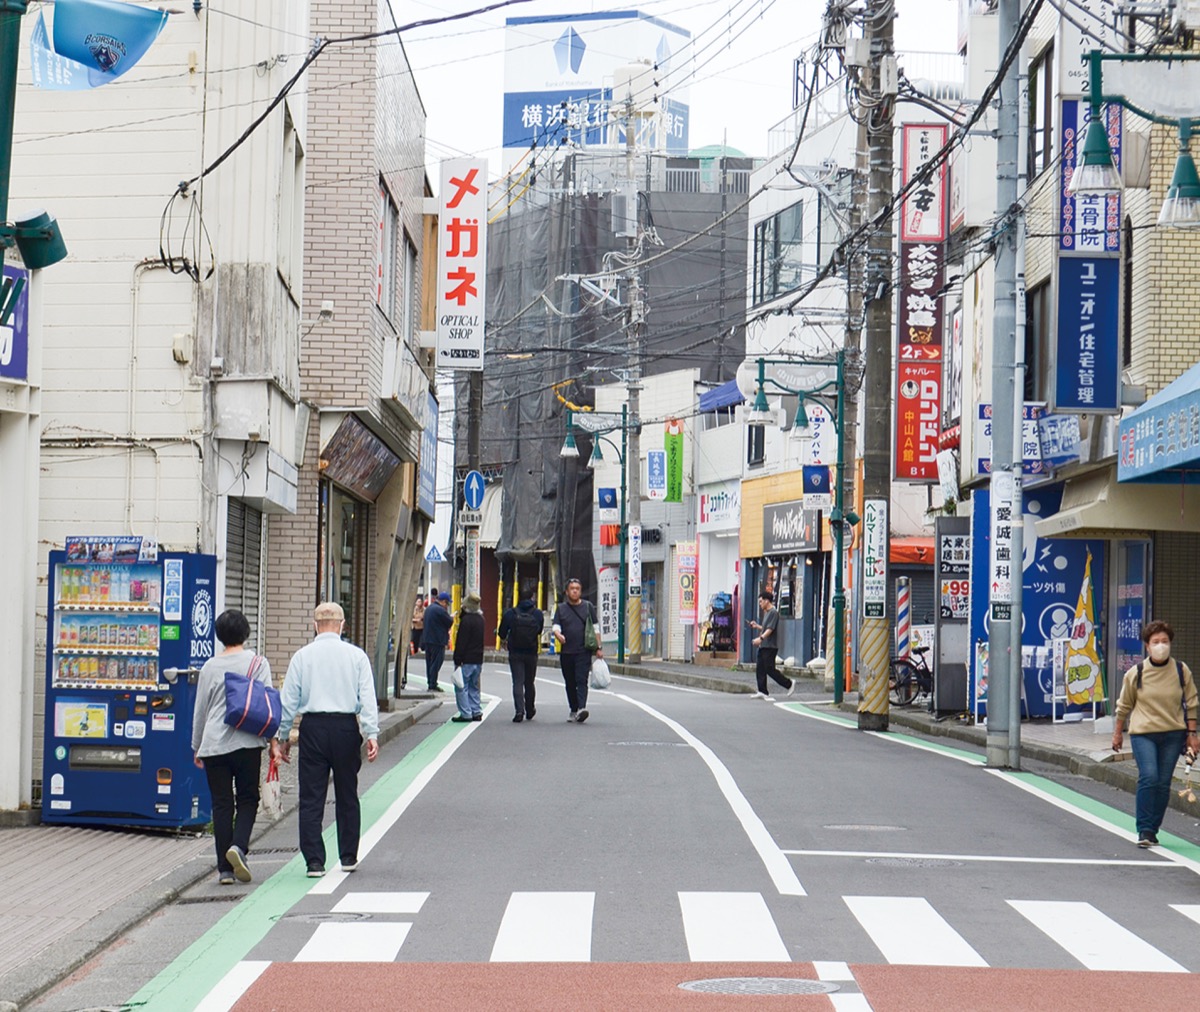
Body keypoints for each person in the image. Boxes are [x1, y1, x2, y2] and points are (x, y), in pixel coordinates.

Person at [273, 602, 380, 878]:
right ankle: (348, 856)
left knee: (311, 796)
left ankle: (314, 861)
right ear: (342, 625)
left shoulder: (302, 656)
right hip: (346, 727)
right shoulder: (356, 656)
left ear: (314, 625)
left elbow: (289, 702)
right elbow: (367, 697)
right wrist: (372, 733)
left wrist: (283, 737)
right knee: (347, 793)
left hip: (313, 728)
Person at [191, 609, 273, 885]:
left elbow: (200, 710)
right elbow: (268, 705)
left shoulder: (209, 667)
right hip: (248, 741)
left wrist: (196, 745)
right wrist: (274, 742)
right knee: (248, 799)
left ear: (219, 636)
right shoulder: (258, 663)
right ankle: (238, 846)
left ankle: (225, 870)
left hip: (214, 744)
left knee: (222, 803)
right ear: (246, 633)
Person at [1112, 620, 1199, 847]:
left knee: (1162, 783)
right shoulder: (1136, 672)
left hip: (1174, 734)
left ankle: (1153, 829)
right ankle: (1144, 829)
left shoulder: (1181, 670)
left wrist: (1192, 734)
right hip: (1144, 734)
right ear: (1147, 646)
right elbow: (1124, 705)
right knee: (1149, 776)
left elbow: (1191, 703)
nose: (1161, 645)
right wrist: (1117, 733)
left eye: (1165, 641)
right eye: (1155, 642)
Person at [552, 578, 600, 723]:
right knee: (570, 682)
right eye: (572, 588)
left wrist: (599, 647)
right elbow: (556, 625)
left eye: (577, 588)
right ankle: (573, 709)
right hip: (566, 652)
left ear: (580, 591)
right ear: (567, 592)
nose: (575, 591)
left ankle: (581, 708)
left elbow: (596, 627)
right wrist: (557, 634)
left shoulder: (587, 607)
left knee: (581, 680)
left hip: (583, 650)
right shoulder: (561, 608)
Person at [498, 581, 543, 723]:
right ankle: (530, 709)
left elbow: (501, 632)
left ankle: (519, 710)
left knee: (517, 681)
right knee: (529, 682)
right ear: (532, 597)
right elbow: (539, 630)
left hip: (515, 652)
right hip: (531, 652)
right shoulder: (537, 613)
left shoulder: (511, 613)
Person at [748, 590, 795, 700]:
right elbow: (766, 628)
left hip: (770, 646)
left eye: (761, 602)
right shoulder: (767, 613)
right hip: (764, 645)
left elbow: (770, 629)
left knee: (769, 669)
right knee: (760, 668)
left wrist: (760, 638)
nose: (760, 604)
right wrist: (757, 626)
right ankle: (762, 691)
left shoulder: (773, 612)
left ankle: (789, 683)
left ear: (767, 601)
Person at [451, 593, 485, 722]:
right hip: (478, 658)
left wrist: (457, 659)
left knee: (461, 686)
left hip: (466, 659)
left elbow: (462, 642)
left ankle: (466, 713)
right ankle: (476, 711)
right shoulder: (481, 620)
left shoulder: (466, 621)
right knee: (473, 686)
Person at [422, 591, 454, 692]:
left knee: (429, 662)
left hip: (428, 639)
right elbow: (449, 622)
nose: (447, 606)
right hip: (438, 640)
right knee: (436, 662)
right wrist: (451, 617)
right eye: (447, 603)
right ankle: (432, 684)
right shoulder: (440, 611)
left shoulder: (429, 609)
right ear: (443, 602)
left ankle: (430, 683)